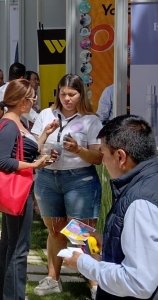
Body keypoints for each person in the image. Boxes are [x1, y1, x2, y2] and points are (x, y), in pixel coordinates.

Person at [63, 115, 158, 300]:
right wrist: (109, 240)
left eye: (103, 154)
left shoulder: (141, 203)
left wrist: (83, 263)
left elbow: (138, 282)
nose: (102, 161)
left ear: (120, 156)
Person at [31, 74, 104, 296]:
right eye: (62, 94)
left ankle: (95, 284)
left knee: (80, 233)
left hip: (80, 180)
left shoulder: (91, 120)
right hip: (48, 178)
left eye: (71, 94)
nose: (66, 99)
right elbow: (34, 146)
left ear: (81, 94)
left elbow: (98, 158)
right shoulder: (46, 114)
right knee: (55, 231)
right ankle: (53, 279)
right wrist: (45, 142)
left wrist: (78, 150)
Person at [0, 80, 57, 300]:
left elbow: (25, 150)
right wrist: (33, 166)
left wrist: (44, 137)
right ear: (21, 101)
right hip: (17, 192)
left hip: (19, 190)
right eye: (32, 97)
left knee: (9, 245)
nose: (34, 100)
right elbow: (1, 161)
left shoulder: (18, 122)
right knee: (19, 250)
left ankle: (1, 295)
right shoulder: (10, 125)